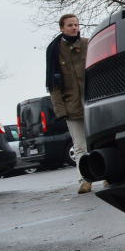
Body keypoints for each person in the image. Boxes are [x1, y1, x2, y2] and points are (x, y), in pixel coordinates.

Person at [46, 13, 92, 194]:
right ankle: (85, 180)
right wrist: (60, 110)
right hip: (71, 106)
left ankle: (106, 175)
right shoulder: (54, 51)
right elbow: (53, 85)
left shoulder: (88, 44)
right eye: (70, 25)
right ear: (61, 28)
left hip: (92, 101)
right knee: (80, 146)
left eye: (76, 24)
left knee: (98, 142)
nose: (74, 27)